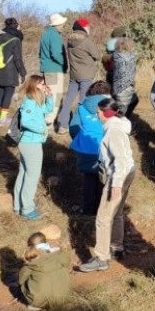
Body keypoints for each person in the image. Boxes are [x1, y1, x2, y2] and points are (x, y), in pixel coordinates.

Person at [77, 100, 136, 273]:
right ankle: (117, 247)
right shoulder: (120, 125)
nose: (97, 115)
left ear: (107, 113)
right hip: (128, 172)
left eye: (99, 112)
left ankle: (101, 257)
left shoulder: (113, 131)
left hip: (119, 175)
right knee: (116, 213)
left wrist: (115, 184)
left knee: (103, 217)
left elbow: (119, 159)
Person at [13, 76, 54, 221]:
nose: (44, 86)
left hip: (30, 143)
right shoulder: (29, 102)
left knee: (23, 174)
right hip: (31, 144)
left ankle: (18, 206)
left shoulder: (35, 102)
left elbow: (48, 109)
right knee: (32, 177)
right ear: (34, 86)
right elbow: (25, 121)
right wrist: (41, 130)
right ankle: (27, 209)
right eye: (41, 84)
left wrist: (49, 96)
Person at [69, 81, 112, 215]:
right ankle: (101, 210)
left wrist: (81, 141)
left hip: (86, 148)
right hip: (105, 148)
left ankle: (88, 210)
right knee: (103, 180)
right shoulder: (110, 106)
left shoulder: (82, 107)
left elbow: (73, 127)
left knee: (89, 179)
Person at [57, 19, 100, 131]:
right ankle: (80, 125)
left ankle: (62, 125)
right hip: (86, 75)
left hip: (74, 74)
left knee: (68, 100)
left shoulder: (70, 40)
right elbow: (97, 55)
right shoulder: (86, 42)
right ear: (83, 28)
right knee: (83, 101)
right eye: (87, 27)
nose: (89, 28)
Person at [18, 231, 71, 310]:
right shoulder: (58, 253)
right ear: (45, 242)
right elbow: (67, 262)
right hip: (63, 297)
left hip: (39, 302)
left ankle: (36, 305)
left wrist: (26, 264)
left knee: (22, 284)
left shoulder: (30, 264)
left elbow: (20, 281)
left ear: (30, 246)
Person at [0, 18, 26, 127]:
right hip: (10, 71)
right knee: (8, 94)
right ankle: (2, 119)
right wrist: (22, 72)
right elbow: (17, 58)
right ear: (16, 26)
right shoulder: (15, 40)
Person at [39, 13, 68, 131]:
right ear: (58, 24)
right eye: (62, 23)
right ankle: (48, 123)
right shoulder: (55, 36)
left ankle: (46, 121)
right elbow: (56, 54)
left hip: (47, 69)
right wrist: (64, 64)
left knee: (49, 95)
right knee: (55, 97)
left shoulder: (46, 34)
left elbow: (40, 53)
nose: (63, 25)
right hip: (55, 70)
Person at [111, 37, 139, 116]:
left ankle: (122, 119)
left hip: (120, 86)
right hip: (124, 87)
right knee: (123, 108)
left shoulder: (117, 56)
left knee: (133, 101)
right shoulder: (126, 58)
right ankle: (121, 122)